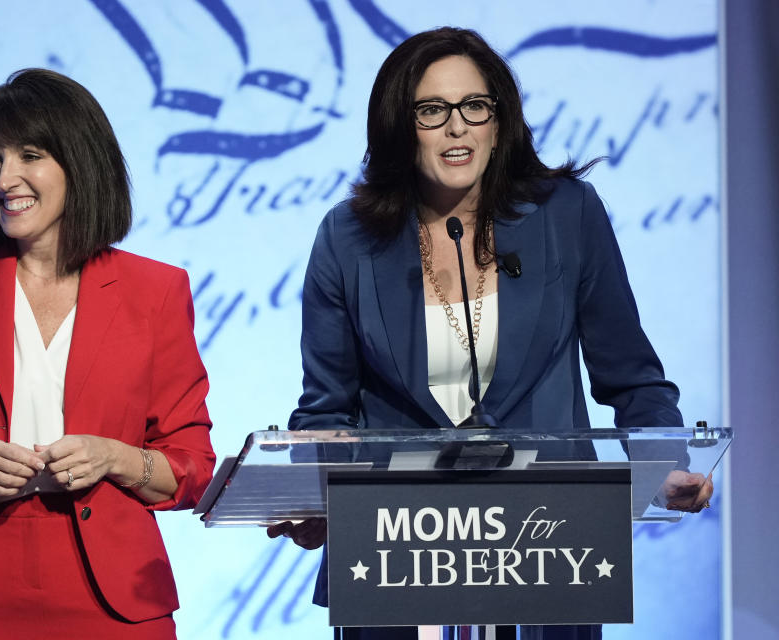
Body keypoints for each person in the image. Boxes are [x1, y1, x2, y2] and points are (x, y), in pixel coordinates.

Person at [268, 27, 713, 640]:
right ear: (400, 125)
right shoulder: (348, 238)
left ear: (499, 120)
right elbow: (326, 406)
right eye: (432, 110)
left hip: (549, 545)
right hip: (396, 552)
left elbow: (631, 375)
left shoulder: (567, 215)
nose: (458, 128)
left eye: (475, 106)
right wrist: (311, 492)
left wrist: (661, 462)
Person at [0, 69, 215, 639]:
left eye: (28, 155)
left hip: (115, 600)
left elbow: (192, 470)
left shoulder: (156, 291)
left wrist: (114, 457)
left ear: (78, 164)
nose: (3, 178)